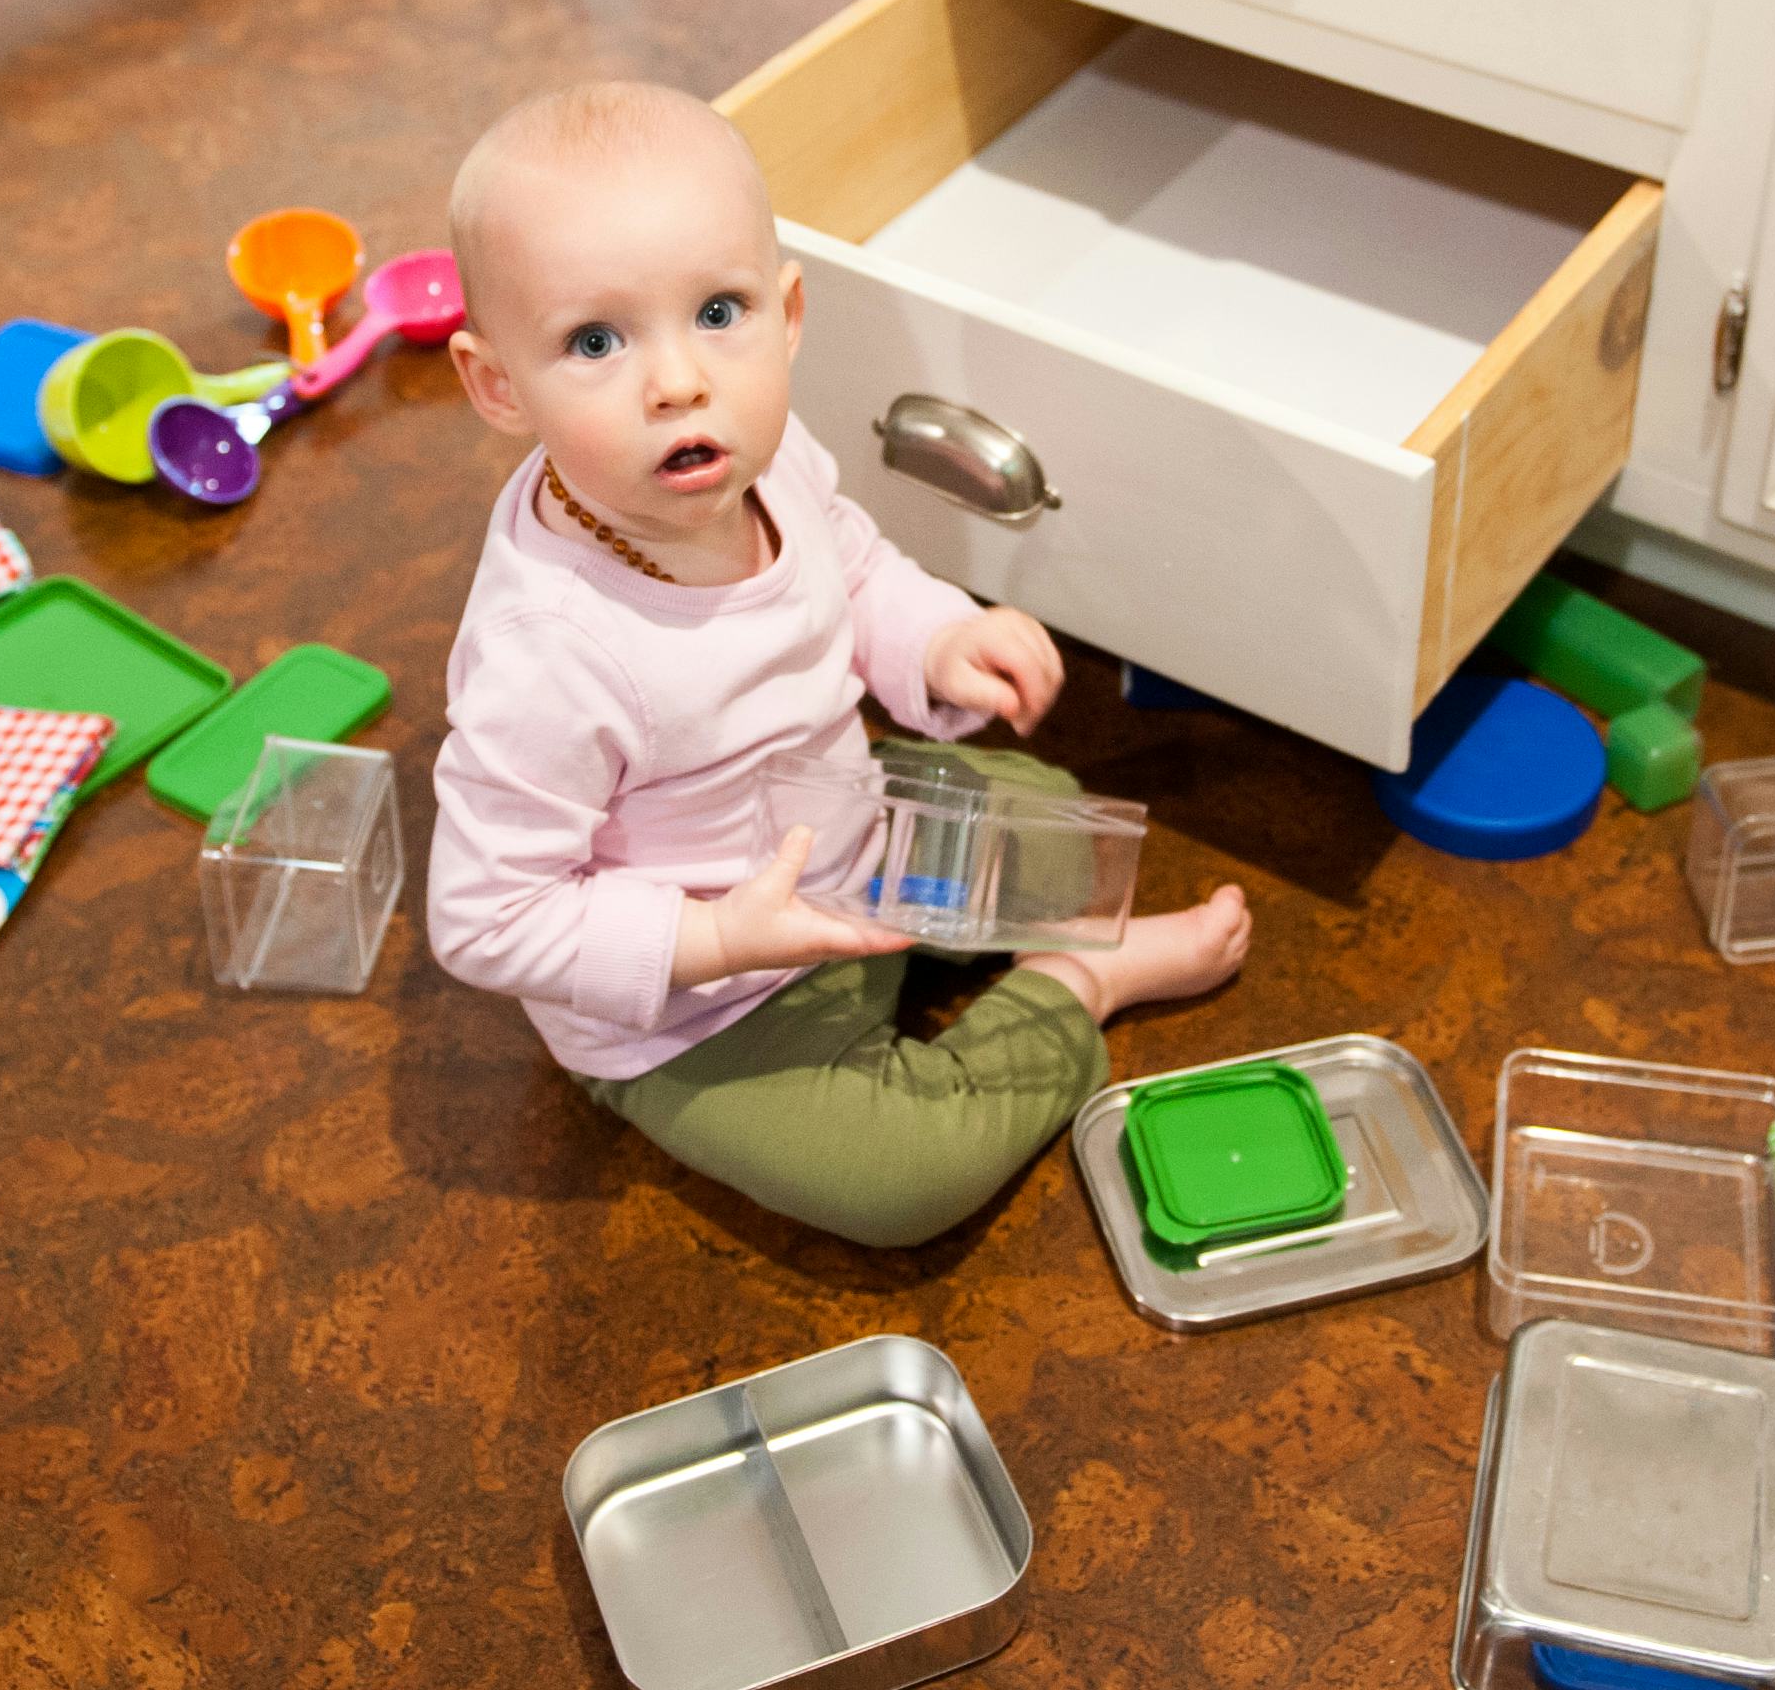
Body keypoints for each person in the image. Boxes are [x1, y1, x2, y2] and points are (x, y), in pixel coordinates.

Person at [423, 80, 1250, 1247]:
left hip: (849, 843)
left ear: (789, 310)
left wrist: (938, 637)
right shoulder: (549, 654)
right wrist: (710, 940)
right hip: (703, 1009)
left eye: (718, 311)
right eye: (595, 341)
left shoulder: (752, 453)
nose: (677, 381)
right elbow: (484, 915)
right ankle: (1081, 988)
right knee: (895, 1182)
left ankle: (1002, 928)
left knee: (1060, 819)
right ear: (498, 385)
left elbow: (852, 571)